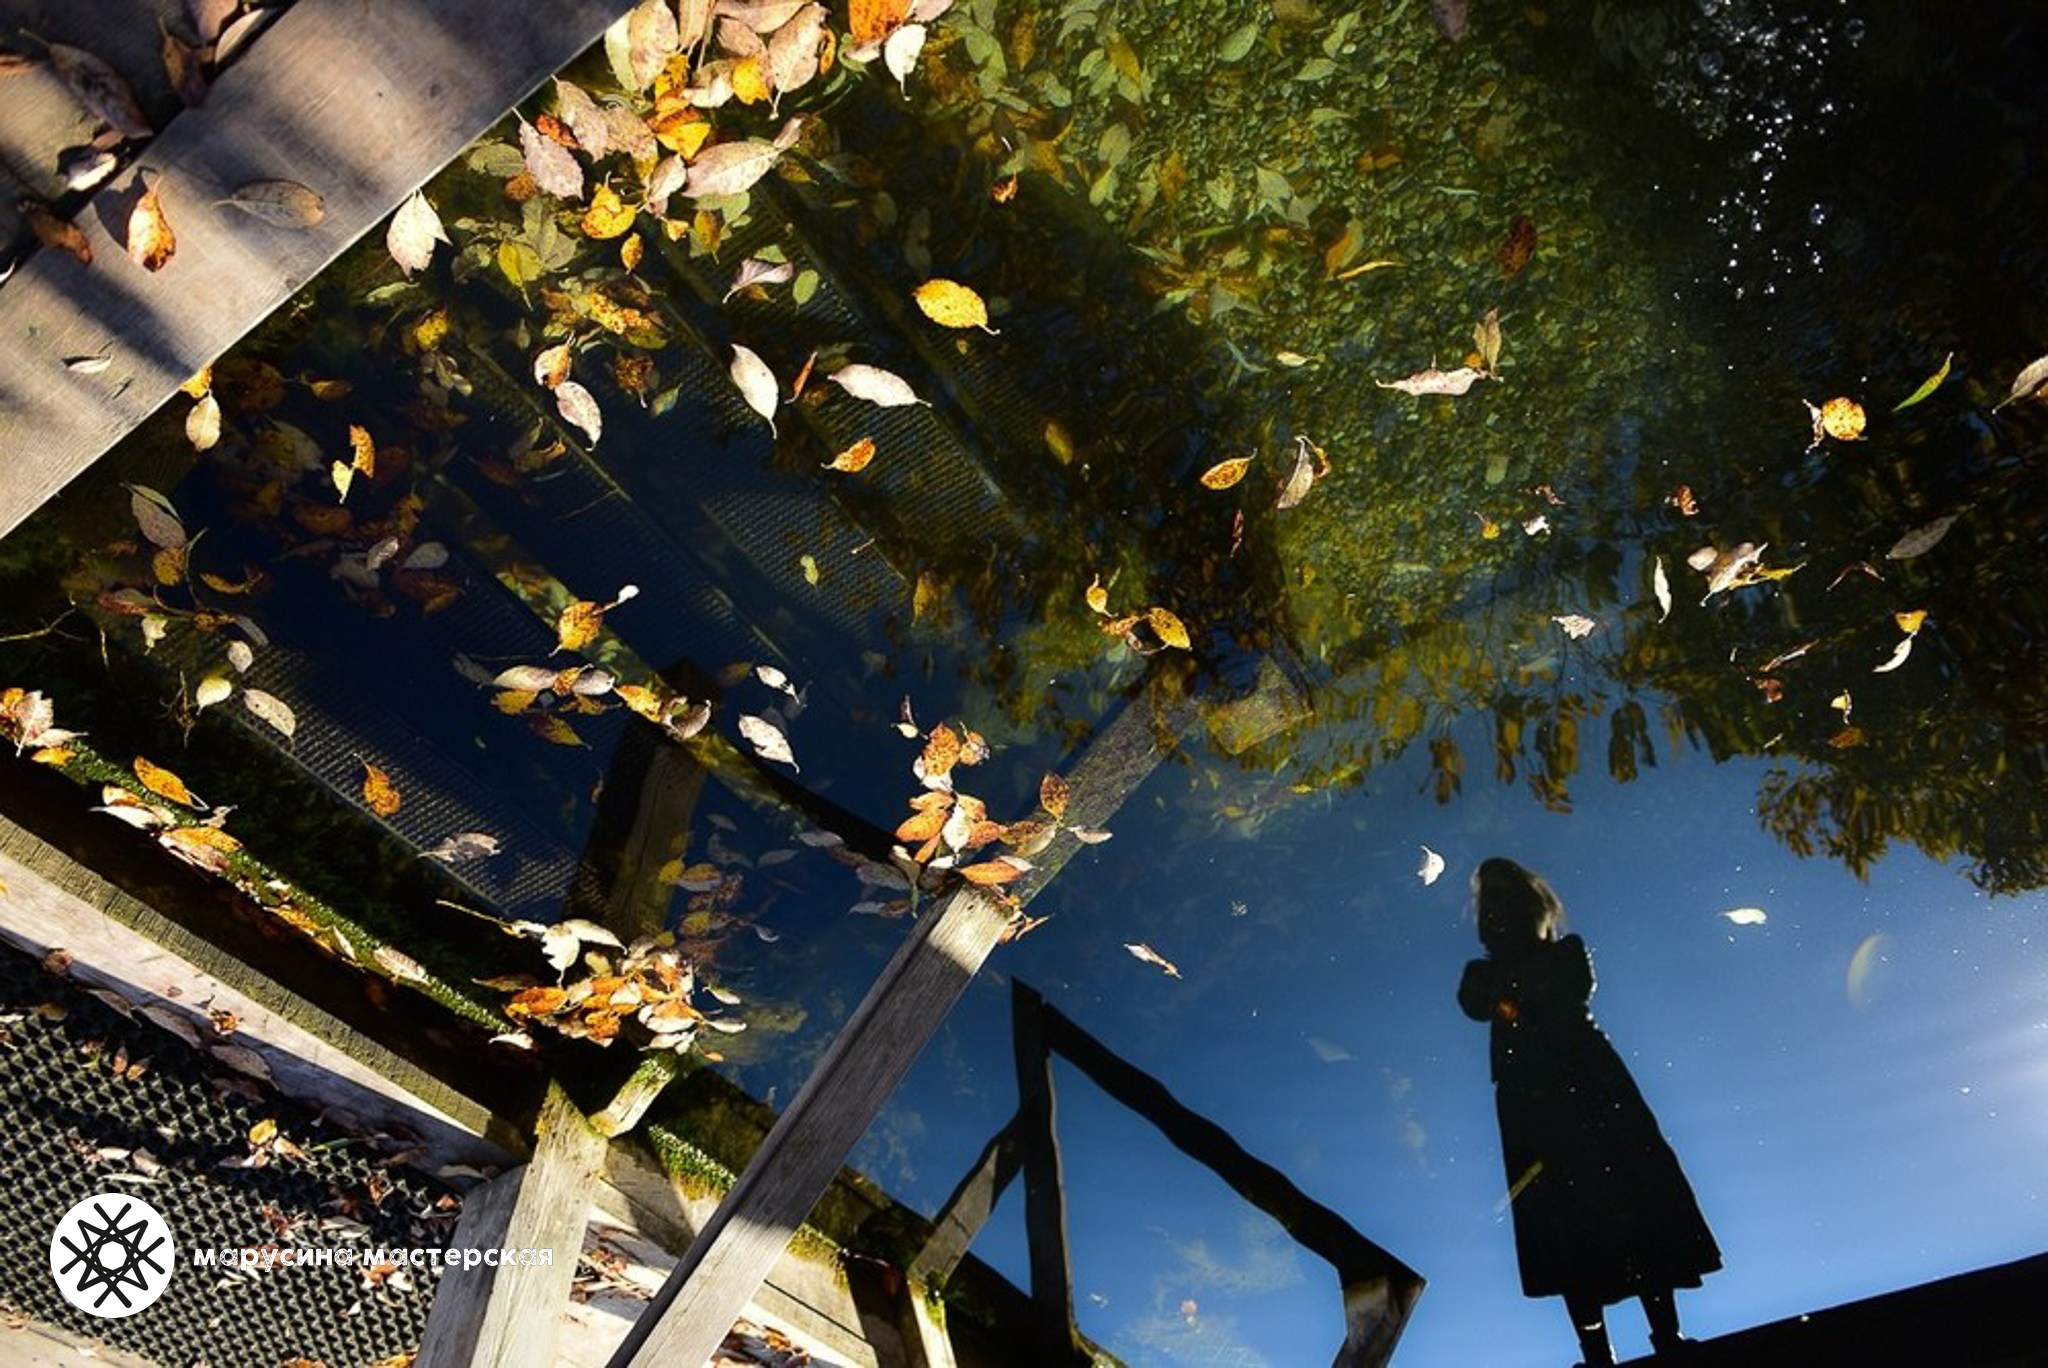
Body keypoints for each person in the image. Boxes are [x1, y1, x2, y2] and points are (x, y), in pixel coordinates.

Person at [1458, 857, 1721, 1366]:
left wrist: (1511, 999)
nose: (1499, 913)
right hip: (1535, 1102)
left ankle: (1665, 1337)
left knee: (1631, 1193)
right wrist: (1511, 997)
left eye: (1507, 900)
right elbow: (1477, 1001)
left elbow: (1555, 992)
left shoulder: (1564, 954)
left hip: (1590, 1086)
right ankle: (1599, 1354)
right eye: (1492, 904)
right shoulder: (1485, 972)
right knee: (1561, 1217)